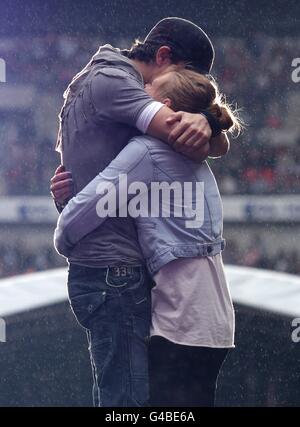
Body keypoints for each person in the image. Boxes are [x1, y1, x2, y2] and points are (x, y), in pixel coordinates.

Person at [51, 17, 230, 407]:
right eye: (187, 76)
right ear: (164, 56)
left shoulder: (95, 78)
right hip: (121, 278)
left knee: (121, 400)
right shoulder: (118, 84)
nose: (146, 94)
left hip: (115, 276)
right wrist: (205, 119)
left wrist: (67, 229)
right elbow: (201, 141)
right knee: (127, 401)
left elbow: (209, 142)